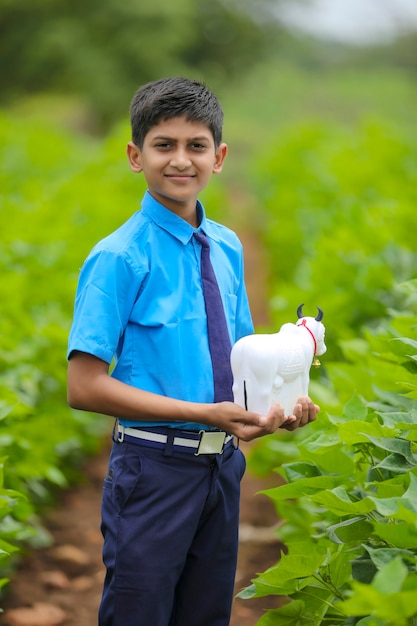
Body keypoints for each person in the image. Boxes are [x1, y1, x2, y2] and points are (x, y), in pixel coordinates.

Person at [67, 77, 319, 626]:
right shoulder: (119, 257)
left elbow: (243, 366)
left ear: (219, 156)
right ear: (136, 156)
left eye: (196, 146)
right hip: (151, 469)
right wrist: (202, 414)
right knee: (141, 613)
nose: (180, 160)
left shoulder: (226, 246)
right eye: (164, 145)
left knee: (205, 615)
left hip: (221, 468)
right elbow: (83, 387)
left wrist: (276, 411)